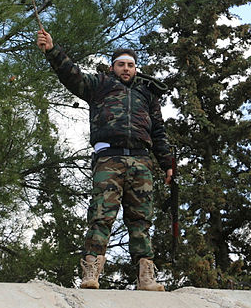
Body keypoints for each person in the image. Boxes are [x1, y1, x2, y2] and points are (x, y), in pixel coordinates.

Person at [37, 29, 174, 291]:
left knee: (141, 220)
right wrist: (52, 51)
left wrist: (167, 163)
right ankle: (91, 271)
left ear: (136, 68)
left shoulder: (147, 93)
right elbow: (71, 75)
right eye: (121, 64)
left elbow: (158, 130)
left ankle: (146, 276)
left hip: (141, 161)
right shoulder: (100, 85)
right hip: (109, 159)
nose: (126, 69)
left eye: (130, 65)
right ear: (113, 67)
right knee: (101, 215)